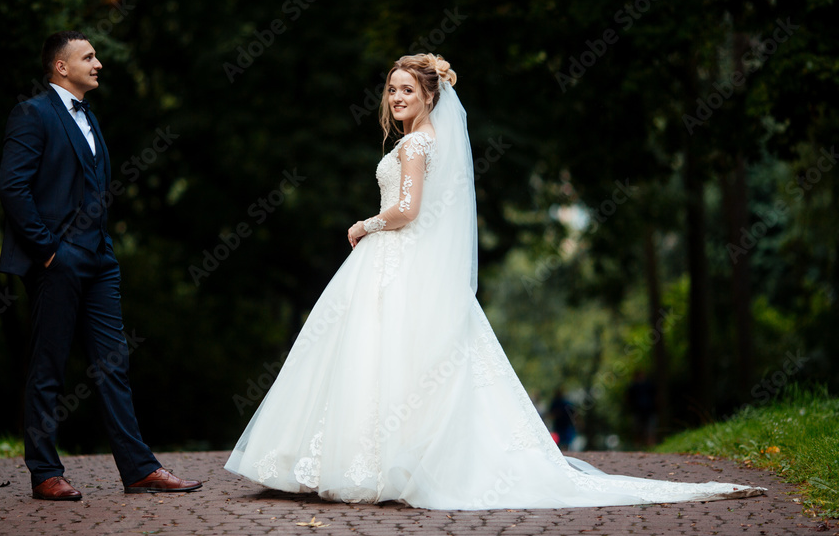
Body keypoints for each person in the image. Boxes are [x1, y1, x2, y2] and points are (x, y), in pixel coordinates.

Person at [224, 53, 764, 509]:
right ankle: (378, 459)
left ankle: (371, 462)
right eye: (391, 89)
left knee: (376, 355)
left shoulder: (415, 145)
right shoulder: (428, 141)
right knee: (388, 358)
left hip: (393, 253)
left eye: (407, 89)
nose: (396, 98)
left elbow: (409, 210)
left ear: (429, 96)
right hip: (397, 261)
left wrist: (365, 224)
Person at [0, 31, 201, 501]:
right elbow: (13, 189)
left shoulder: (88, 116)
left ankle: (139, 470)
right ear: (61, 67)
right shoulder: (33, 113)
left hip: (99, 260)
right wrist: (49, 251)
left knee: (114, 365)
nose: (99, 63)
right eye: (88, 57)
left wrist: (99, 248)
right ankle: (44, 472)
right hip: (57, 261)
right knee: (49, 367)